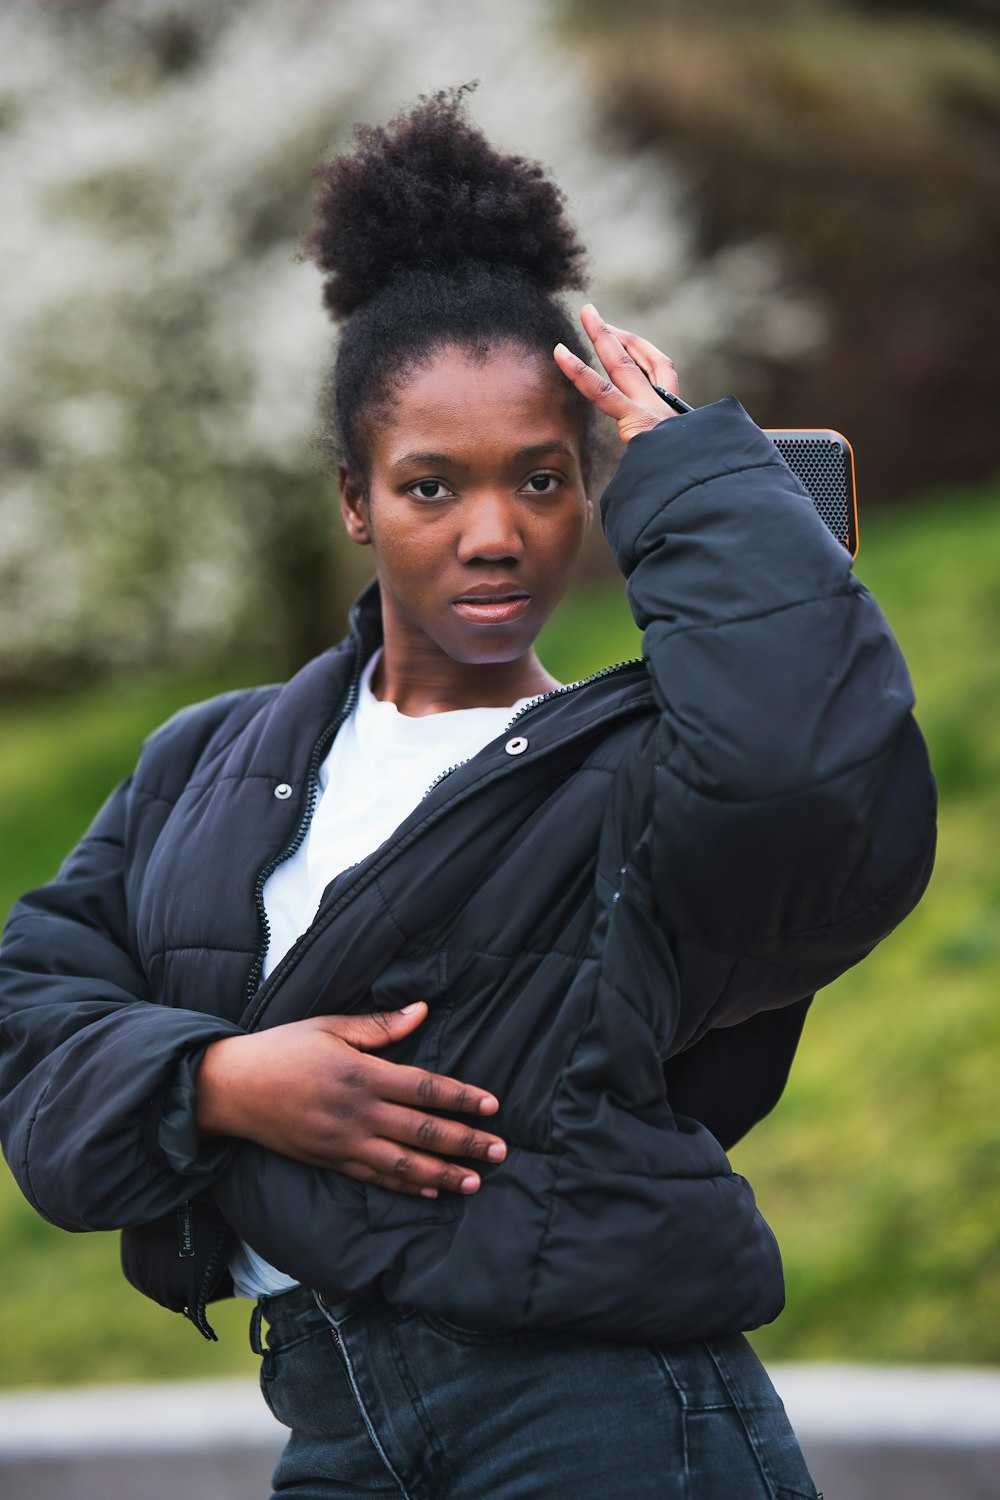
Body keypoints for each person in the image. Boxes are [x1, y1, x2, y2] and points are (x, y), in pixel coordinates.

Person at [0, 88, 935, 1499]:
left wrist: (699, 472)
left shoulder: (645, 768)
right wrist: (220, 1081)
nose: (494, 535)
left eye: (544, 479)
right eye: (432, 487)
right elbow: (31, 1028)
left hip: (605, 1417)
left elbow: (812, 784)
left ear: (594, 490)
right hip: (332, 1419)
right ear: (354, 500)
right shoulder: (207, 760)